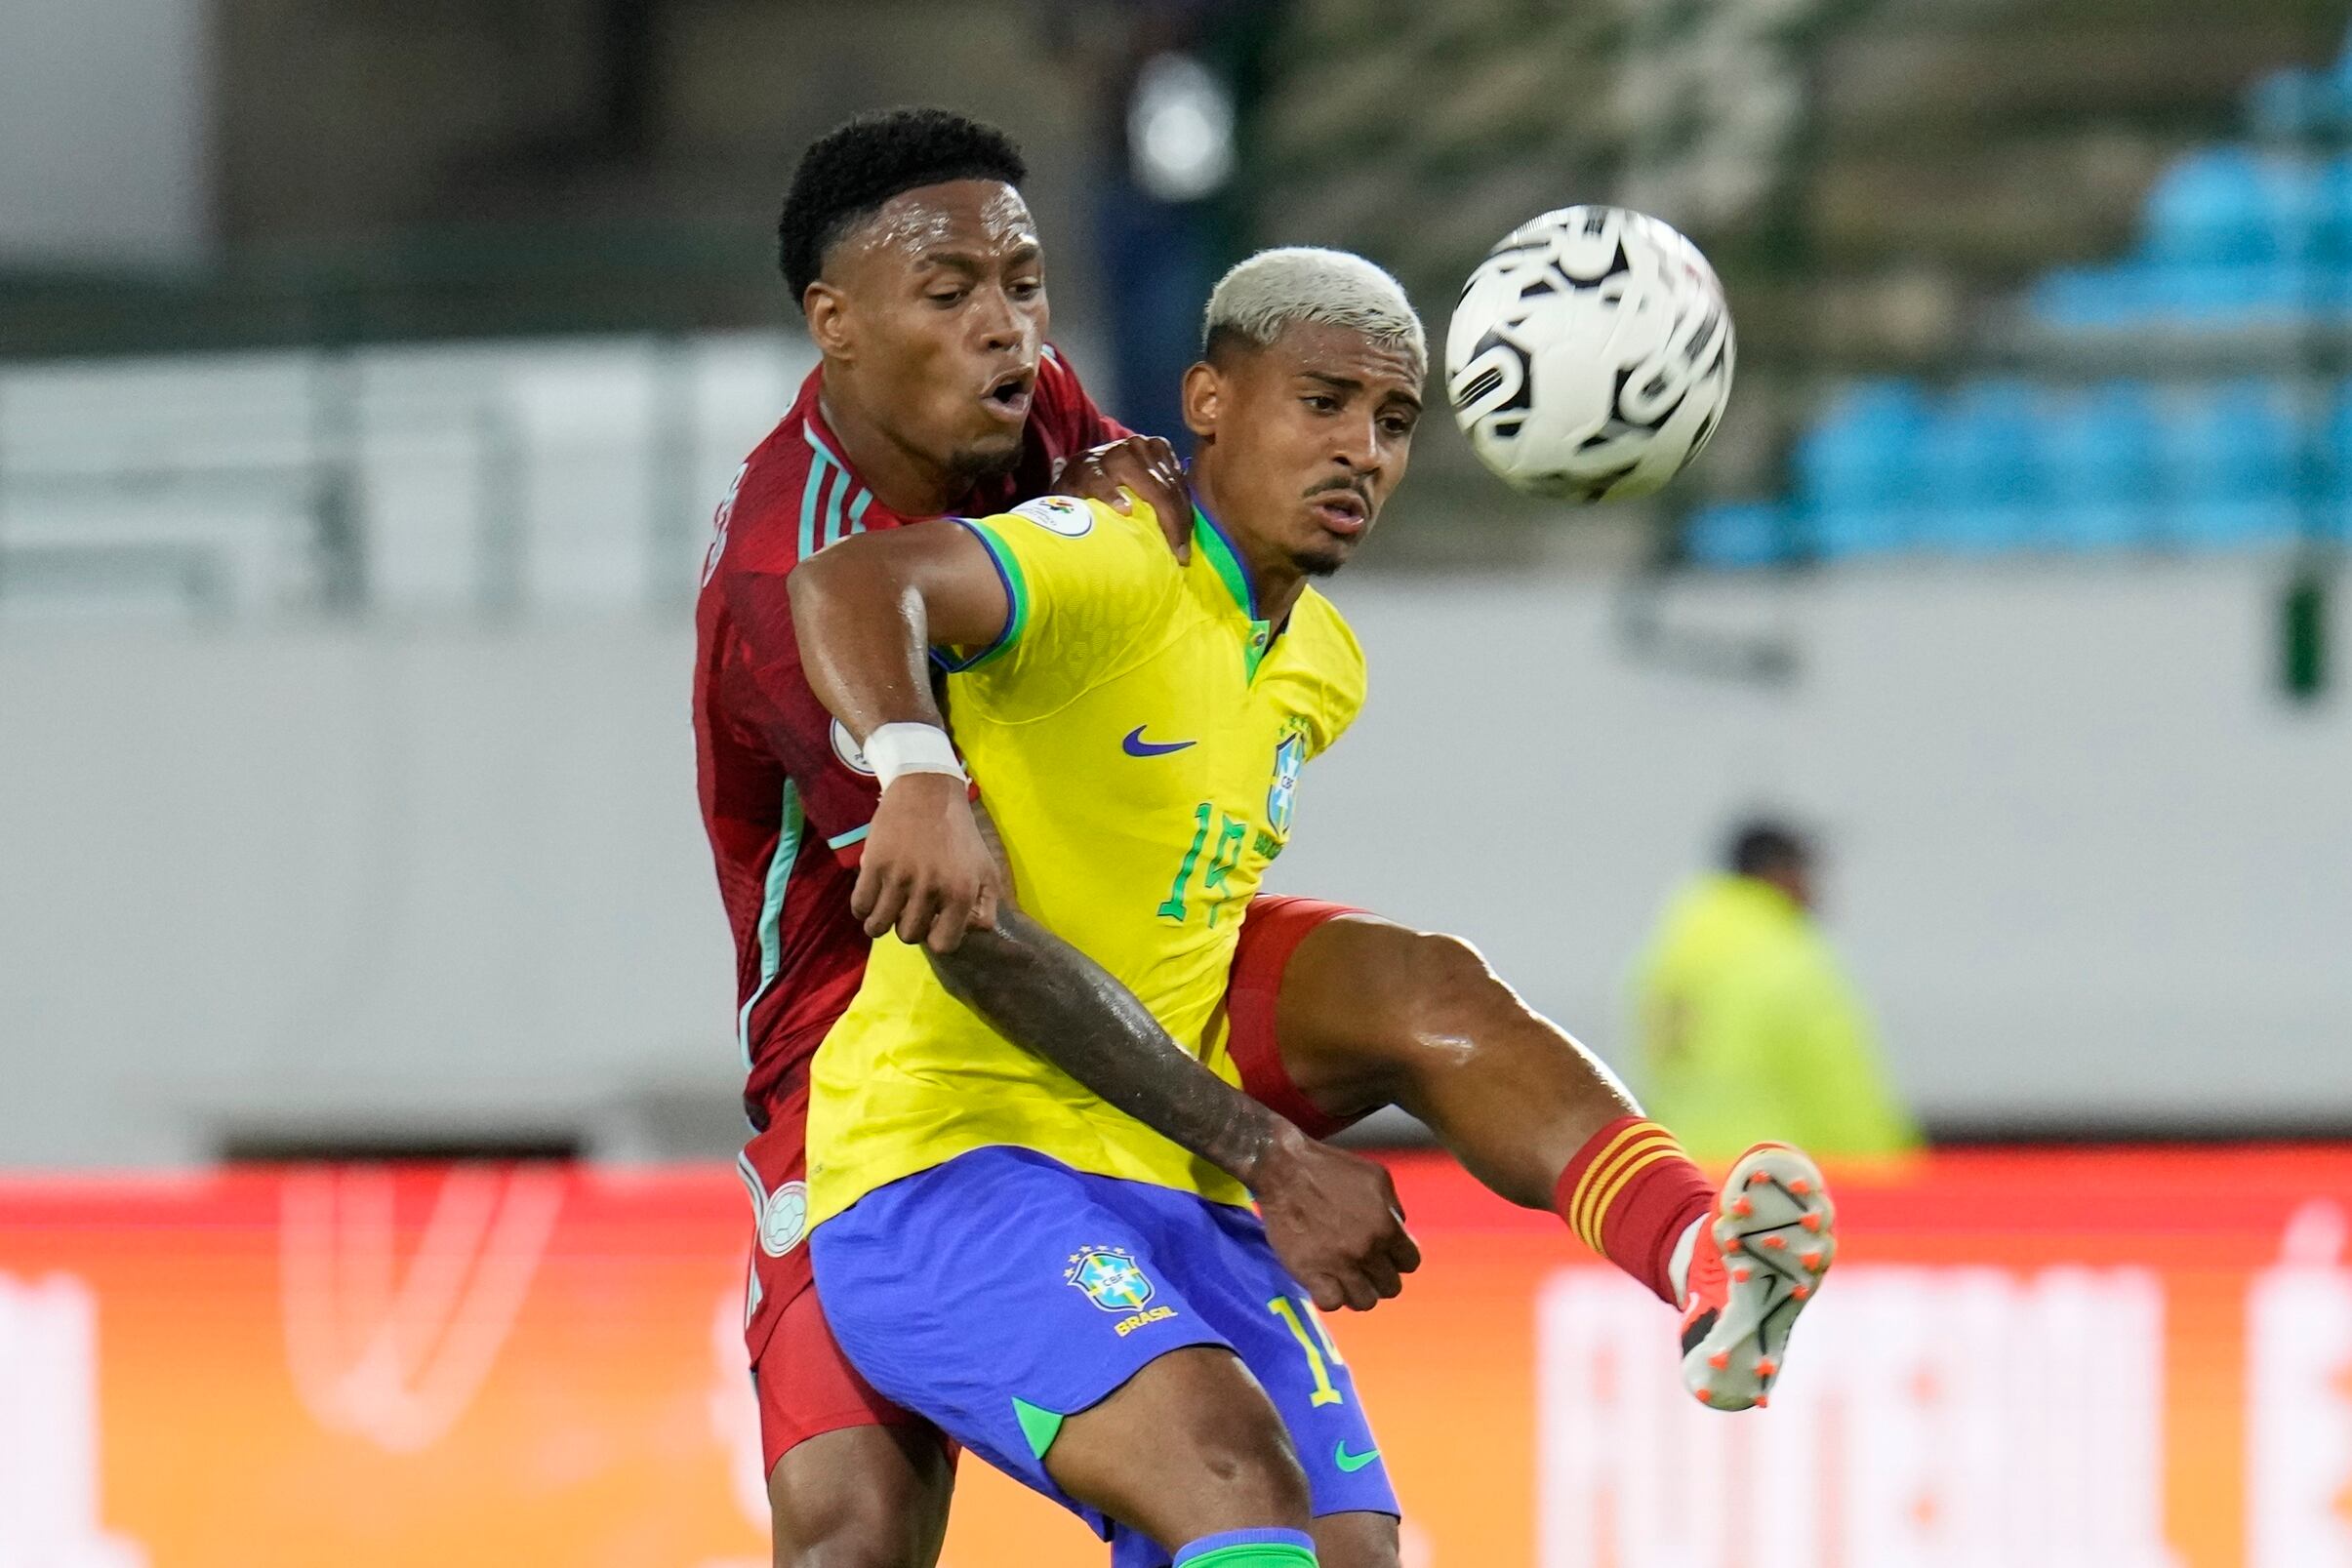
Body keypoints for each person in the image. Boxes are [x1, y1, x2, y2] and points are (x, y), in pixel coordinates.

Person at [699, 107, 1832, 1568]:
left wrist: (1132, 461)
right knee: (862, 1533)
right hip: (880, 1046)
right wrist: (1263, 1147)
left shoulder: (1263, 616)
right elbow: (957, 918)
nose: (1009, 330)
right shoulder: (789, 583)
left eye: (1026, 284)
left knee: (1426, 996)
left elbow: (1163, 460)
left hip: (1124, 1009)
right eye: (953, 293)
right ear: (833, 323)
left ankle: (1692, 1253)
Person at [1635, 819, 1923, 1161]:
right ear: (1780, 874)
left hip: (1696, 1180)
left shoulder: (1668, 958)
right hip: (1785, 1186)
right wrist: (1891, 1168)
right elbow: (1840, 1090)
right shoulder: (1786, 958)